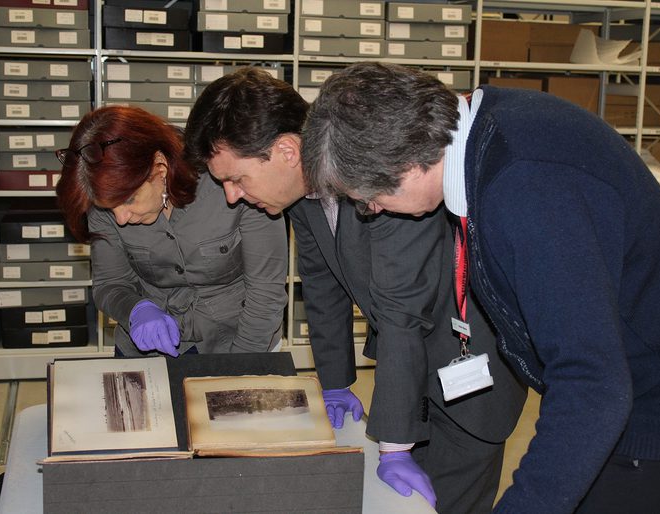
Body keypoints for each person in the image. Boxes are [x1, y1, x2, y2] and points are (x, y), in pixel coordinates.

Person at [301, 62, 660, 514]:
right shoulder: (487, 130)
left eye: (368, 199)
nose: (371, 209)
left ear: (405, 163)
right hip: (628, 393)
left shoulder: (523, 185)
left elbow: (591, 383)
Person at [184, 67, 526, 513]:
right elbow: (323, 286)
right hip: (405, 372)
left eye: (236, 179)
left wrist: (395, 448)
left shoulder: (376, 174)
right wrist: (335, 382)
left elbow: (401, 312)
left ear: (287, 151)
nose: (232, 197)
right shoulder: (297, 198)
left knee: (442, 506)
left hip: (467, 375)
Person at [55, 105, 288, 357]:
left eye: (130, 200)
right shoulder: (105, 192)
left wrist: (238, 370)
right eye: (110, 210)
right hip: (150, 346)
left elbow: (266, 293)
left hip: (239, 340)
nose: (120, 219)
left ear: (160, 167)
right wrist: (136, 309)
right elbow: (110, 284)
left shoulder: (230, 181)